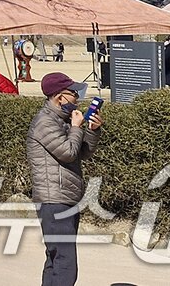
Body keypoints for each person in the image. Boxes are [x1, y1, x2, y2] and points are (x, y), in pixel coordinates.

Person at [27, 72, 102, 286]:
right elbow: (68, 152)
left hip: (65, 198)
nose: (77, 99)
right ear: (59, 97)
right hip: (54, 200)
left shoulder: (61, 120)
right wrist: (77, 127)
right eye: (73, 94)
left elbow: (82, 153)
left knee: (56, 259)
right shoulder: (45, 122)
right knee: (65, 262)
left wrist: (92, 130)